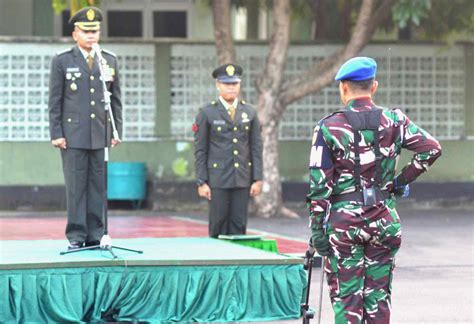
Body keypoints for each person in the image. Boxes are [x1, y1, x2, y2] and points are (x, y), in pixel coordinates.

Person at [306, 57, 441, 323]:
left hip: (345, 224)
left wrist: (317, 229)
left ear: (343, 88)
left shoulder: (328, 127)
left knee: (348, 300)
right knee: (378, 299)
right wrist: (401, 181)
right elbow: (432, 149)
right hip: (383, 220)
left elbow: (320, 184)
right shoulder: (395, 121)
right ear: (374, 86)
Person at [48, 7, 122, 250]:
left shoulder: (108, 59)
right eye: (86, 31)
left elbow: (115, 100)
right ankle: (77, 235)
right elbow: (55, 101)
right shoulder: (63, 60)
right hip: (73, 135)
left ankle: (96, 234)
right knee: (77, 186)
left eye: (95, 31)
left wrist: (116, 130)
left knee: (98, 186)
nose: (91, 36)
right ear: (75, 34)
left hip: (100, 133)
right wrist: (56, 133)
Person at [193, 63, 263, 238]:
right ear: (218, 85)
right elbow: (200, 150)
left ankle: (239, 263)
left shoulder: (249, 112)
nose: (231, 88)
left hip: (242, 177)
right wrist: (202, 181)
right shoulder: (207, 112)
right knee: (218, 223)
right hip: (217, 179)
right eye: (227, 84)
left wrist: (257, 178)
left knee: (239, 224)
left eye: (235, 84)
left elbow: (255, 147)